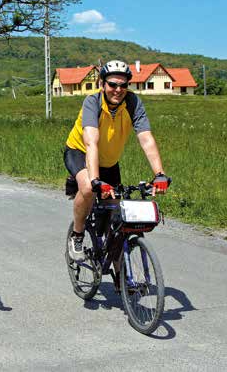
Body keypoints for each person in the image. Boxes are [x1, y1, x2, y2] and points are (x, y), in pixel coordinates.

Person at [64, 60, 171, 262]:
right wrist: (96, 181)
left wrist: (159, 174)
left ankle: (122, 278)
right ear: (102, 84)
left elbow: (146, 139)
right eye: (112, 84)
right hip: (80, 152)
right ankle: (77, 235)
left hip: (109, 161)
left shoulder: (133, 103)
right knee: (87, 188)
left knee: (116, 216)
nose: (118, 89)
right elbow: (91, 143)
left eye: (123, 85)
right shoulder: (92, 103)